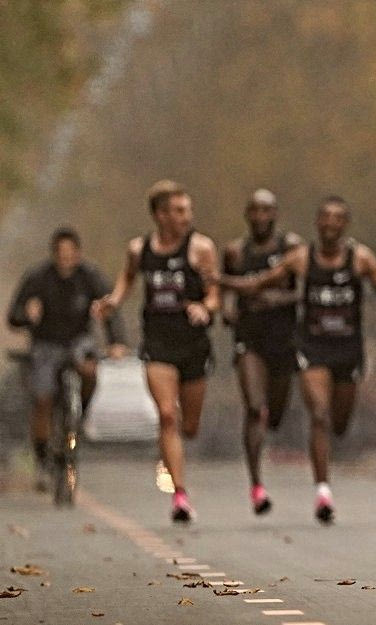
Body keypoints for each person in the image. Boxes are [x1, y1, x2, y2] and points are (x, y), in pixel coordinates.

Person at [219, 196, 376, 524]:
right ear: (317, 223)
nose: (330, 225)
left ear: (345, 224)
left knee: (339, 424)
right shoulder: (301, 258)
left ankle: (325, 467)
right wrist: (219, 283)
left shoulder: (360, 258)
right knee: (318, 414)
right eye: (324, 218)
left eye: (337, 219)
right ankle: (322, 491)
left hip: (347, 348)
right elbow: (256, 283)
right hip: (312, 347)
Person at [93, 180, 219, 523]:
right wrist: (112, 302)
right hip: (158, 343)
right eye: (179, 211)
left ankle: (175, 451)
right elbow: (126, 280)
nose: (186, 217)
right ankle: (180, 495)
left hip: (193, 345)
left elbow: (214, 293)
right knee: (166, 414)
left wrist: (205, 308)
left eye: (188, 210)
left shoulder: (200, 248)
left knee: (189, 425)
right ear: (160, 215)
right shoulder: (140, 249)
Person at [8, 228, 127, 491]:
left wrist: (116, 341)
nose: (66, 259)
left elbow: (110, 309)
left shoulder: (90, 277)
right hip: (46, 343)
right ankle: (42, 457)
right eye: (61, 254)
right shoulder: (38, 278)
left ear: (78, 253)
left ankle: (80, 414)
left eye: (70, 254)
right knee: (42, 398)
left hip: (78, 340)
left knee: (90, 370)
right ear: (53, 255)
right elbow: (13, 316)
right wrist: (27, 315)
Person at [222, 189, 303, 515]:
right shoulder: (235, 252)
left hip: (283, 340)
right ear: (247, 215)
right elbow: (226, 286)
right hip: (250, 338)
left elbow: (305, 291)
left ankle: (267, 425)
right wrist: (227, 309)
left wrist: (276, 299)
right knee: (255, 408)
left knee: (275, 414)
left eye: (266, 211)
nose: (260, 217)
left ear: (276, 214)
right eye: (254, 211)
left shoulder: (291, 248)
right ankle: (257, 485)